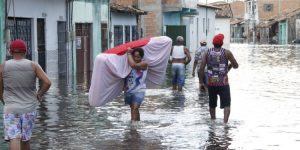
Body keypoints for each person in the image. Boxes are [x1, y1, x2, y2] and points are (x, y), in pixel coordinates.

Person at [0, 39, 51, 150]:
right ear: (26, 51)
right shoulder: (33, 65)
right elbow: (47, 82)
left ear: (10, 51)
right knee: (25, 138)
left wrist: (4, 100)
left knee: (14, 138)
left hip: (11, 108)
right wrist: (39, 94)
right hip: (29, 108)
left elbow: (0, 88)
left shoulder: (3, 66)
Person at [199, 34, 238, 123]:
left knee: (212, 104)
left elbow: (201, 69)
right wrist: (230, 66)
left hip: (211, 83)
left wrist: (201, 82)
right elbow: (236, 65)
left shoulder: (207, 53)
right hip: (223, 83)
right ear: (222, 43)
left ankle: (213, 122)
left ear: (213, 43)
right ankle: (225, 124)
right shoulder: (227, 52)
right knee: (227, 104)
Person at [124, 47, 148, 124]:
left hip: (140, 90)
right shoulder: (127, 64)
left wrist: (128, 53)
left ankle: (133, 128)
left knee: (135, 107)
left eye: (138, 57)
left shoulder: (144, 64)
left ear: (142, 57)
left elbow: (134, 65)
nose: (136, 58)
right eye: (134, 56)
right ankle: (136, 124)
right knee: (133, 109)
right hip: (129, 90)